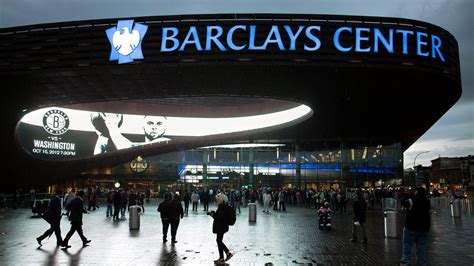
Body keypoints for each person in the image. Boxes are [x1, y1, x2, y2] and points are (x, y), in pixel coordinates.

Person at [93, 113, 170, 154]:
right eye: (150, 123)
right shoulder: (138, 145)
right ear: (143, 125)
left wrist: (112, 126)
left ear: (165, 127)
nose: (154, 127)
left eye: (159, 124)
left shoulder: (166, 141)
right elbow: (96, 158)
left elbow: (127, 147)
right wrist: (103, 134)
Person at [400, 187, 431, 266]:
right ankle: (421, 263)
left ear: (417, 192)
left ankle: (406, 261)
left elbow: (403, 202)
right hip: (424, 229)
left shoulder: (412, 201)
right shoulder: (427, 201)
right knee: (422, 247)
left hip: (411, 227)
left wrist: (407, 195)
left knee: (407, 245)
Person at [207, 193, 233, 263]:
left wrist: (212, 214)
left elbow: (219, 218)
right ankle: (225, 255)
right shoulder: (223, 206)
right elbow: (220, 216)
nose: (216, 200)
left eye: (217, 199)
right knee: (219, 240)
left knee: (219, 241)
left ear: (220, 199)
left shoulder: (222, 207)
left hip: (221, 227)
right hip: (222, 226)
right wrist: (214, 214)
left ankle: (225, 255)